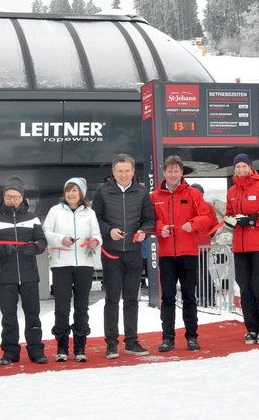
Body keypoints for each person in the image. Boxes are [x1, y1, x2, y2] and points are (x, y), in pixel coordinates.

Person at [92, 153, 155, 358]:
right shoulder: (102, 192)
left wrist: (143, 232)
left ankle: (132, 341)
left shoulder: (142, 192)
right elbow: (95, 219)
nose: (124, 174)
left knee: (131, 299)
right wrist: (109, 230)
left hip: (134, 253)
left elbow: (149, 220)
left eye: (127, 171)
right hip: (111, 253)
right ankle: (111, 343)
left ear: (133, 171)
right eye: (120, 171)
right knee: (111, 299)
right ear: (113, 172)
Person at [150, 157, 214, 352]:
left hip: (188, 253)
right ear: (164, 173)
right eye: (169, 171)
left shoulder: (193, 194)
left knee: (189, 296)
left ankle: (192, 337)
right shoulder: (154, 197)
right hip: (167, 254)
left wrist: (193, 224)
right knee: (167, 298)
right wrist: (160, 228)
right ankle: (167, 338)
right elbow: (149, 221)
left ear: (181, 173)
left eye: (176, 171)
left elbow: (207, 217)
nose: (173, 174)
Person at [0, 176, 48, 365]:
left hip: (29, 274)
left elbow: (42, 241)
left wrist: (35, 247)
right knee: (9, 317)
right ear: (3, 197)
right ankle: (10, 352)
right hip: (6, 275)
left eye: (16, 196)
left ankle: (36, 351)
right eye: (9, 196)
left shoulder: (32, 217)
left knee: (33, 314)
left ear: (22, 198)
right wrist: (3, 249)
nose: (12, 199)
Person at [42, 177, 102, 362]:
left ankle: (80, 347)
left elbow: (97, 234)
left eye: (75, 190)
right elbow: (46, 232)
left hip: (84, 264)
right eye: (68, 190)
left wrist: (95, 241)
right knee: (61, 307)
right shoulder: (55, 211)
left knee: (81, 307)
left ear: (81, 193)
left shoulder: (89, 213)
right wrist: (61, 239)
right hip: (61, 265)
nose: (70, 193)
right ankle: (61, 347)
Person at [225, 153, 259, 345]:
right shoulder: (232, 191)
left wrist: (253, 219)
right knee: (245, 289)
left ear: (250, 167)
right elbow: (230, 213)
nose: (241, 170)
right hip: (240, 247)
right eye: (237, 167)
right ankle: (252, 328)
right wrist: (230, 221)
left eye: (243, 166)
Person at [191, 183, 219, 307]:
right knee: (204, 270)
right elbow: (215, 225)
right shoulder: (208, 206)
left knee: (195, 271)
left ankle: (200, 297)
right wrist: (208, 236)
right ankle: (208, 297)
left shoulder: (189, 206)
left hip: (191, 244)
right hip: (203, 244)